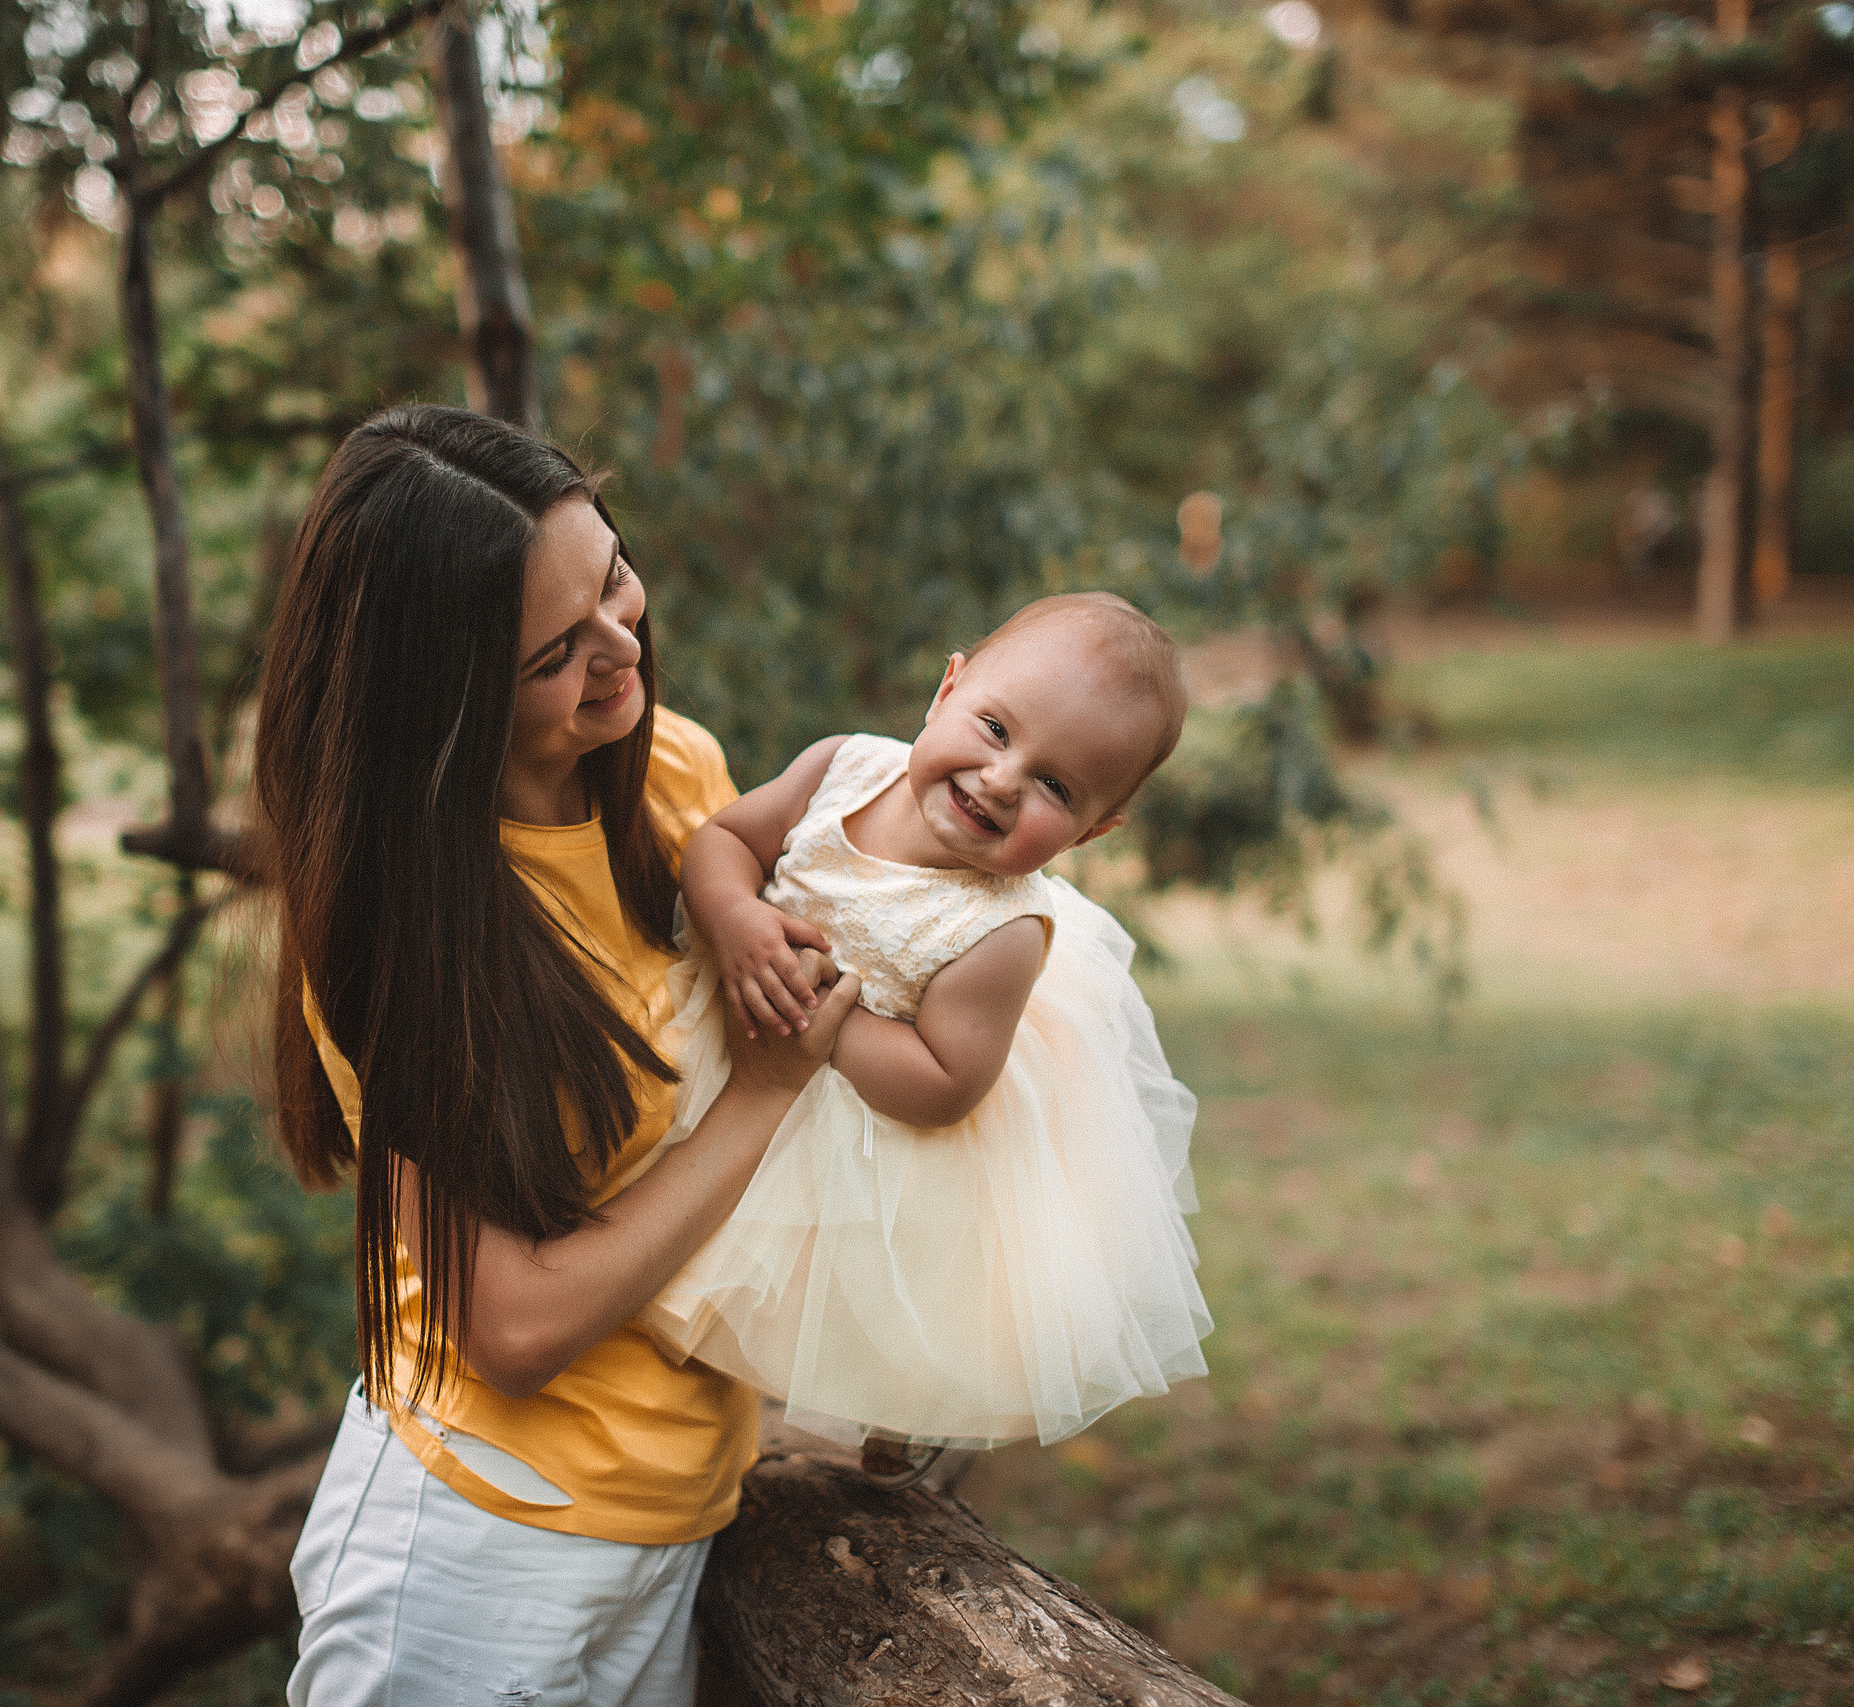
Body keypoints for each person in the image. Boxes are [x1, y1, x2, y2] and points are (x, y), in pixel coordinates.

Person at [255, 404, 860, 1706]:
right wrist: (762, 1098)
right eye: (553, 654)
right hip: (484, 1545)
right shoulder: (406, 927)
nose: (620, 643)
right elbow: (512, 1324)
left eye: (615, 577)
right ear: (444, 696)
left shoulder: (679, 776)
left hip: (673, 1514)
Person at [639, 593, 1214, 1485]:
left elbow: (946, 1082)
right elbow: (723, 839)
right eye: (994, 727)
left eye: (1056, 787)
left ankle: (907, 1410)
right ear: (948, 689)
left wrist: (823, 1023)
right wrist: (738, 917)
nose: (1001, 779)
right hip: (750, 1034)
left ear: (1094, 830)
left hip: (879, 1106)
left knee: (890, 1278)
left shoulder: (1002, 931)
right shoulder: (844, 767)